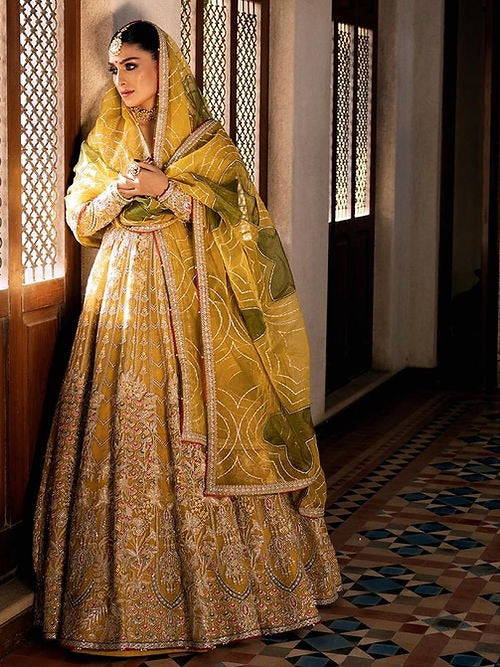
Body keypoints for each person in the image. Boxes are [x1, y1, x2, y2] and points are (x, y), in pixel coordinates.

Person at [33, 20, 342, 657]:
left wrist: (168, 189)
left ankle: (232, 593)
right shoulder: (105, 136)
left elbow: (241, 214)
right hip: (121, 297)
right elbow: (81, 216)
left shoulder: (205, 139)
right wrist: (121, 192)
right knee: (123, 422)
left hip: (195, 308)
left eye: (132, 65)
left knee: (201, 422)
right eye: (115, 68)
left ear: (163, 66)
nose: (121, 80)